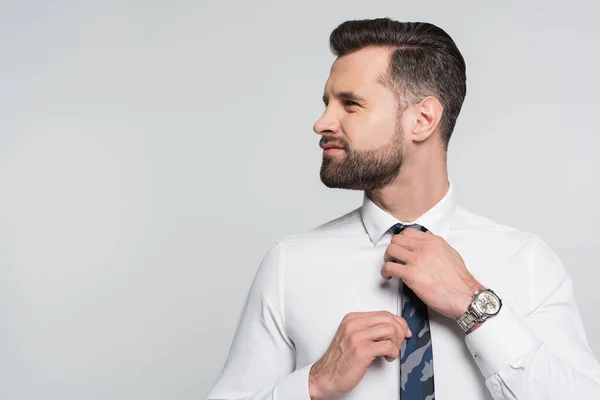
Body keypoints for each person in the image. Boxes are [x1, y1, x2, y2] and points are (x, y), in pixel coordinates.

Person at [204, 18, 600, 399]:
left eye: (351, 104)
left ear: (423, 119)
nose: (322, 122)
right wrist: (314, 383)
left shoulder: (526, 261)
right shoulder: (289, 264)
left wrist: (476, 305)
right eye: (327, 103)